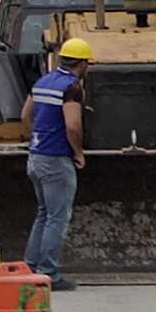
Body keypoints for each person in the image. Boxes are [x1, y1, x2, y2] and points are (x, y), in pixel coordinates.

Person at [25, 37, 94, 289]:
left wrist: (38, 137)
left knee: (43, 213)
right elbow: (73, 125)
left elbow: (26, 115)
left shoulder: (43, 81)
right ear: (83, 64)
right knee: (57, 217)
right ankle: (49, 274)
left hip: (36, 156)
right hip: (55, 160)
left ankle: (31, 268)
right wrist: (78, 152)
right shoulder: (72, 87)